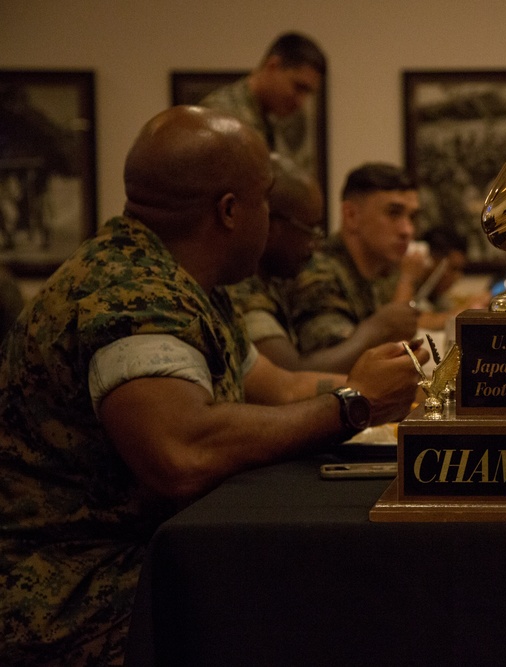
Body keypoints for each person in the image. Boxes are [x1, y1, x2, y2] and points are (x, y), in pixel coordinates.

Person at [0, 106, 427, 666]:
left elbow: (280, 388)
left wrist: (399, 386)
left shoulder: (188, 280)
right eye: (267, 200)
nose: (272, 216)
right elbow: (182, 452)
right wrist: (351, 405)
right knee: (336, 601)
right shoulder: (131, 295)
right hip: (71, 593)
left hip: (143, 556)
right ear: (230, 211)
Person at [285, 162, 425, 373]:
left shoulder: (377, 271)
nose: (407, 230)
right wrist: (380, 329)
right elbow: (324, 366)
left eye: (412, 217)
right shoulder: (319, 272)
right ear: (351, 216)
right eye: (394, 213)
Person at [226, 153, 334, 371]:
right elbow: (291, 374)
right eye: (309, 229)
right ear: (272, 223)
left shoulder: (274, 280)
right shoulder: (238, 285)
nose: (314, 244)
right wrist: (376, 331)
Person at [199, 32, 325, 175]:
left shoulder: (273, 120)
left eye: (308, 93)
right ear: (273, 66)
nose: (301, 101)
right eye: (298, 87)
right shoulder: (220, 115)